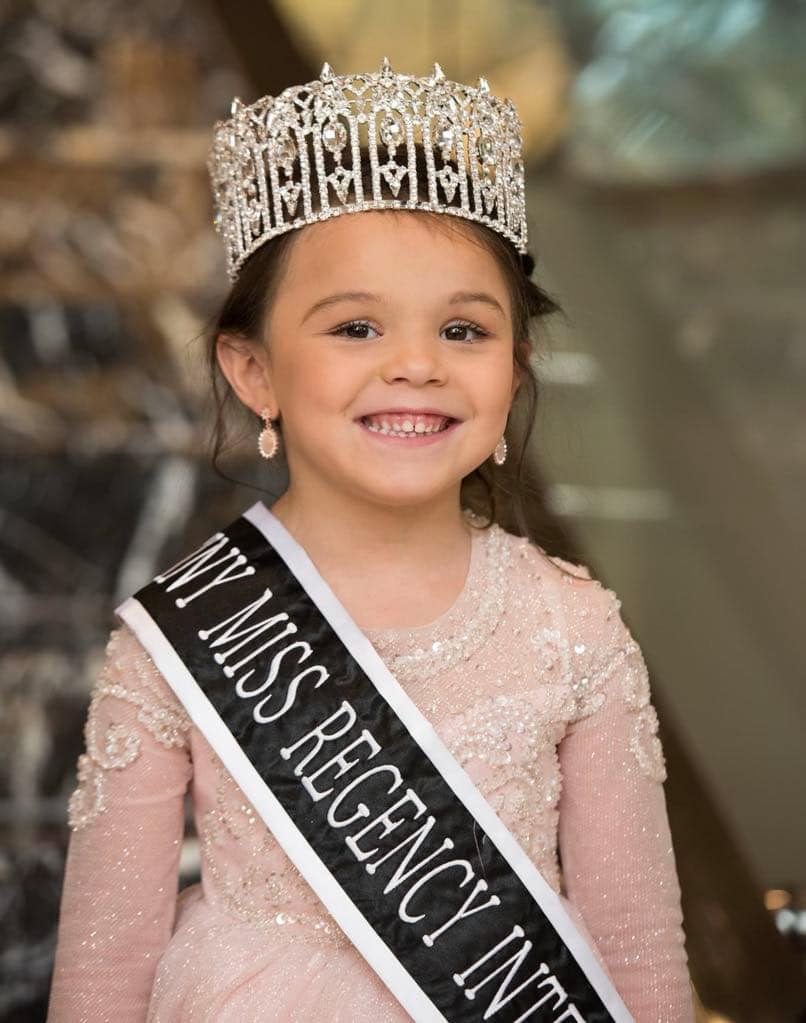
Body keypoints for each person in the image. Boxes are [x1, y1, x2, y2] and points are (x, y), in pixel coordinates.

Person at [46, 59, 696, 1022]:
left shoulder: (575, 626)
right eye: (356, 326)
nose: (415, 365)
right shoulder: (180, 637)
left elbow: (640, 959)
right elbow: (100, 979)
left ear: (516, 372)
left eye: (464, 332)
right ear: (254, 370)